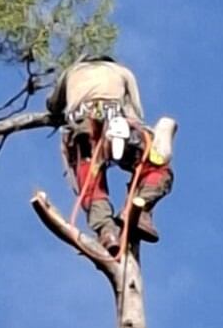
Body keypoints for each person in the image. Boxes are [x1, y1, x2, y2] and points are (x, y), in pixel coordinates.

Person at [46, 55, 174, 253]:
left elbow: (53, 105)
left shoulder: (71, 72)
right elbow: (135, 112)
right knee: (157, 167)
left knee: (90, 183)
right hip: (116, 122)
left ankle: (107, 231)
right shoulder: (123, 72)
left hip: (81, 128)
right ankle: (139, 209)